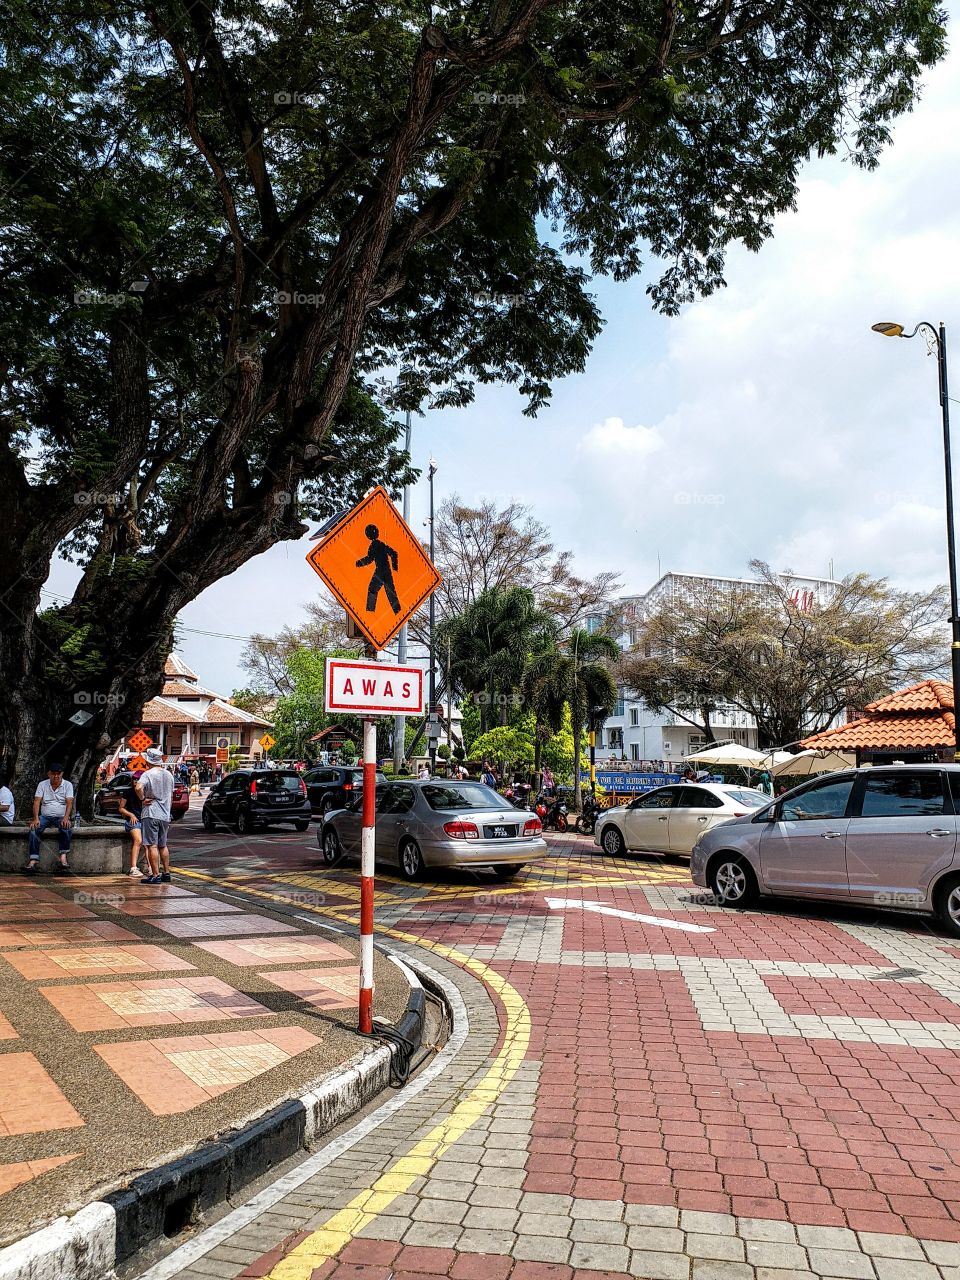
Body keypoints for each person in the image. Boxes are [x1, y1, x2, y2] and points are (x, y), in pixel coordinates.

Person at [26, 764, 73, 873]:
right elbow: (37, 802)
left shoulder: (68, 785)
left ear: (62, 774)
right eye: (53, 774)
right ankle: (33, 860)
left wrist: (66, 818)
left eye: (58, 774)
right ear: (49, 774)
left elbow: (69, 803)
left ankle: (63, 857)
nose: (56, 776)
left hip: (61, 815)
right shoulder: (42, 784)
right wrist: (36, 818)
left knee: (66, 828)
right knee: (34, 829)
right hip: (45, 816)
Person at [136, 747, 173, 884]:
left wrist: (142, 799)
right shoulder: (169, 775)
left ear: (148, 761)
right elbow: (171, 795)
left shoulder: (147, 774)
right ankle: (166, 873)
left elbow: (138, 787)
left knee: (152, 845)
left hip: (151, 812)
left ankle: (155, 875)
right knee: (163, 845)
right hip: (165, 814)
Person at [116, 771, 144, 877]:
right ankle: (133, 868)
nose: (135, 782)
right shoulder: (128, 792)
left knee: (148, 844)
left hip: (145, 820)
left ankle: (151, 868)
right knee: (138, 840)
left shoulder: (146, 791)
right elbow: (121, 808)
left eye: (138, 780)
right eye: (134, 779)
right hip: (133, 821)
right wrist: (131, 815)